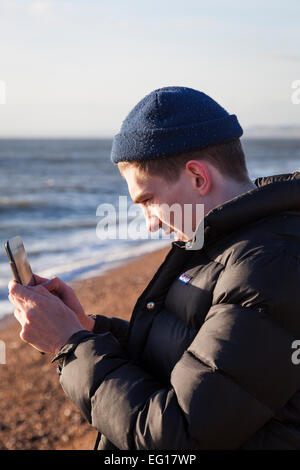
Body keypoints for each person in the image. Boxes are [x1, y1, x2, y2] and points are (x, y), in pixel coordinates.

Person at [8, 86, 300, 450]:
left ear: (198, 177)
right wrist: (88, 329)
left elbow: (179, 436)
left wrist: (68, 344)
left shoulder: (269, 266)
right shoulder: (222, 242)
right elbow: (191, 355)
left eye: (147, 200)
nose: (149, 223)